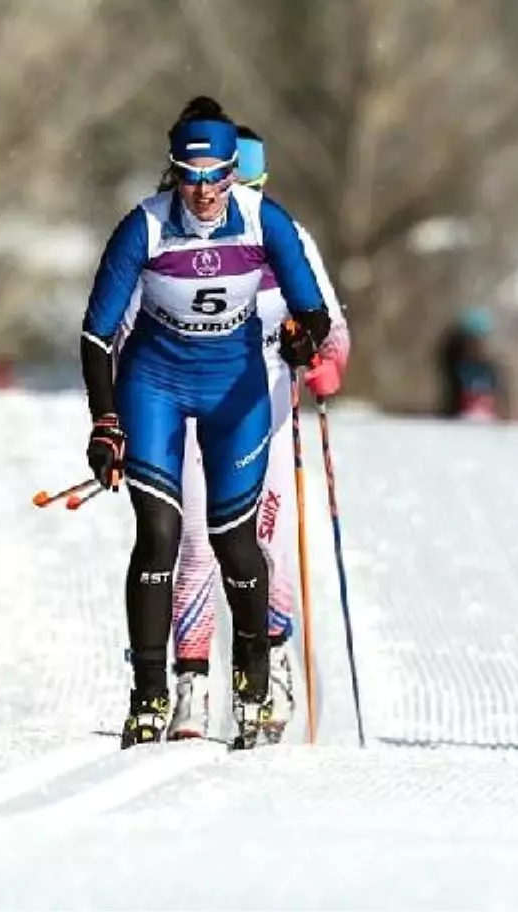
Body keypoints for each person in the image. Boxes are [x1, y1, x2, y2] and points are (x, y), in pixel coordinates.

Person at [80, 96, 332, 749]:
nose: (206, 192)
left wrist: (307, 340)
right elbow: (96, 335)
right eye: (191, 178)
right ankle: (150, 696)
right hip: (155, 383)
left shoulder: (264, 220)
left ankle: (253, 684)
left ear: (233, 172)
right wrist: (105, 422)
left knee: (234, 541)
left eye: (218, 176)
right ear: (173, 174)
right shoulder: (143, 227)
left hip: (236, 389)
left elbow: (316, 312)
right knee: (161, 533)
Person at [165, 124, 350, 742]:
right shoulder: (168, 236)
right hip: (190, 416)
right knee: (193, 542)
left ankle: (269, 666)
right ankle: (190, 685)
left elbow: (332, 330)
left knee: (255, 543)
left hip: (261, 420)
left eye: (248, 185)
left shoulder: (288, 238)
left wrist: (325, 360)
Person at [437, 306, 505, 419]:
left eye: (481, 339)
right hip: (460, 422)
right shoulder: (455, 366)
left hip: (487, 423)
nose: (478, 345)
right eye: (472, 340)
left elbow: (497, 399)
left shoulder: (489, 370)